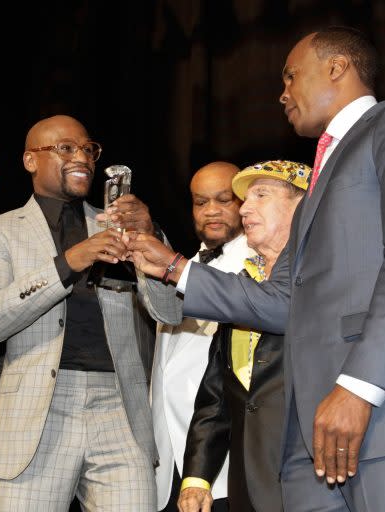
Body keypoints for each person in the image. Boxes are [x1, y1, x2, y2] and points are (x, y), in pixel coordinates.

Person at [128, 26, 385, 511]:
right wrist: (172, 266)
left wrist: (358, 388)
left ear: (336, 68)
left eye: (291, 76)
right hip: (308, 444)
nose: (282, 92)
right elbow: (282, 301)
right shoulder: (321, 176)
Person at [0, 114, 181, 512]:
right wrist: (67, 263)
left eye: (88, 149)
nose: (82, 157)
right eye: (65, 148)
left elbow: (170, 311)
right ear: (31, 160)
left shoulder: (115, 226)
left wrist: (152, 236)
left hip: (120, 405)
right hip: (39, 409)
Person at [178, 160, 308, 512]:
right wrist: (197, 479)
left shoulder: (326, 283)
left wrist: (169, 265)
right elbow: (218, 394)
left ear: (305, 206)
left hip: (313, 481)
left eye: (260, 195)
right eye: (245, 199)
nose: (245, 208)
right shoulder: (243, 284)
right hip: (247, 484)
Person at [152, 161, 253, 512]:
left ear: (245, 202)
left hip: (225, 458)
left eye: (224, 200)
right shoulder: (184, 266)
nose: (211, 210)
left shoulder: (258, 268)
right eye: (200, 201)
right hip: (169, 457)